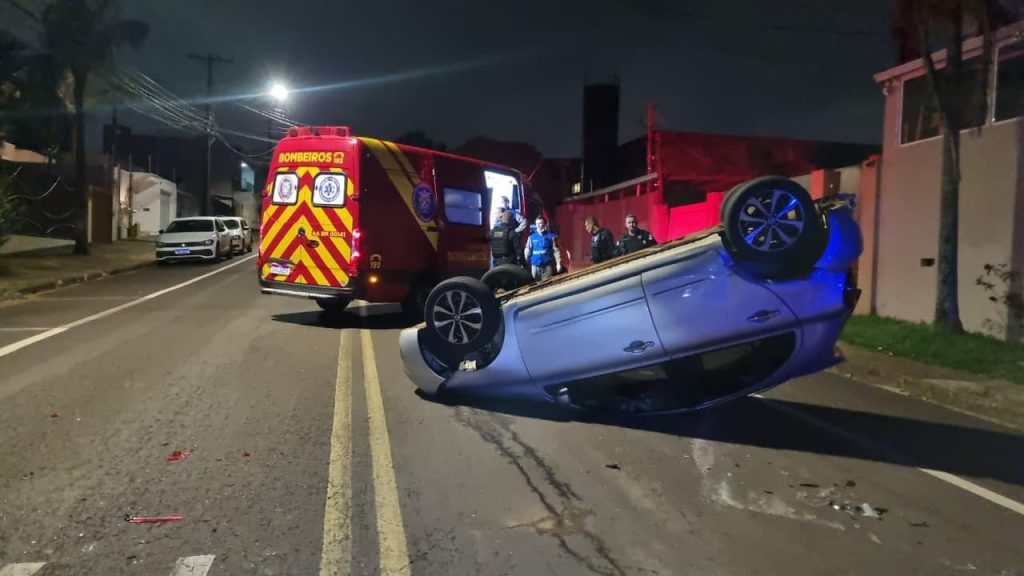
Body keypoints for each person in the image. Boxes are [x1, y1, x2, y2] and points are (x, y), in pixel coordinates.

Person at [524, 215, 563, 281]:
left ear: (545, 224)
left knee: (547, 284)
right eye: (537, 224)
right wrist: (528, 262)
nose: (538, 225)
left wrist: (558, 263)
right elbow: (527, 251)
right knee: (537, 284)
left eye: (540, 223)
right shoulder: (531, 237)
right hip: (535, 265)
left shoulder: (551, 236)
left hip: (547, 264)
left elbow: (556, 251)